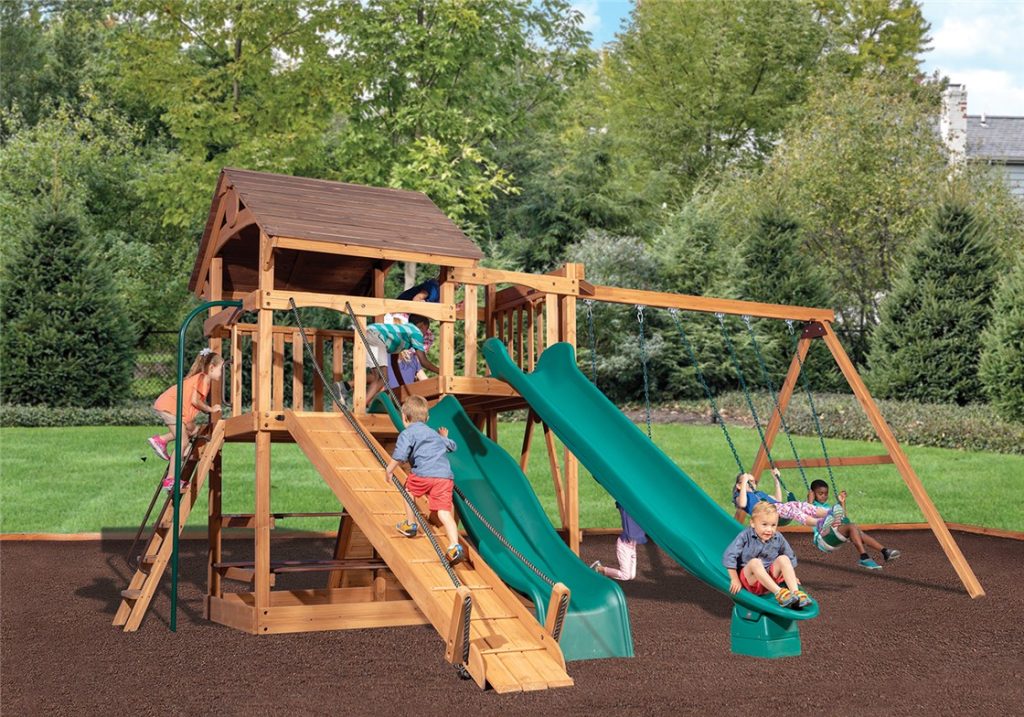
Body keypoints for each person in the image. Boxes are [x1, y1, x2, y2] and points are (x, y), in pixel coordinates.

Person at [385, 395, 464, 566]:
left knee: (408, 491)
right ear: (427, 419)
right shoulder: (434, 434)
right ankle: (454, 545)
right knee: (444, 512)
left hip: (423, 474)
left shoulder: (408, 433)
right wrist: (444, 437)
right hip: (444, 477)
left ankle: (411, 524)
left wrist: (389, 470)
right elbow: (452, 446)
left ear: (404, 418)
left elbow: (400, 455)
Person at [148, 348, 224, 491]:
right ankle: (170, 480)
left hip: (171, 407)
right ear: (211, 368)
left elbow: (189, 404)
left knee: (190, 430)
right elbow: (196, 401)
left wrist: (194, 429)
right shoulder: (203, 378)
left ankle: (162, 440)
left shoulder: (200, 379)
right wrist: (211, 409)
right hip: (169, 407)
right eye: (221, 369)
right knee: (182, 442)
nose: (222, 373)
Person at [723, 501, 811, 609]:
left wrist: (791, 576)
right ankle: (779, 593)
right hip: (751, 580)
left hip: (769, 579)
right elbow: (729, 555)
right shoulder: (745, 536)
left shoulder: (777, 537)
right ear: (753, 523)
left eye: (773, 525)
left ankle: (795, 593)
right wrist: (734, 579)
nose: (769, 529)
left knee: (784, 558)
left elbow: (789, 556)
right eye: (764, 524)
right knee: (755, 562)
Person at [809, 479, 901, 569]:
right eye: (820, 494)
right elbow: (808, 514)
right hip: (822, 540)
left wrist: (842, 502)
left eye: (826, 494)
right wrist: (810, 500)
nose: (824, 496)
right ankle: (864, 557)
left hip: (833, 537)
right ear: (813, 493)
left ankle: (885, 552)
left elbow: (844, 519)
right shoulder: (809, 506)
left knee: (855, 530)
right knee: (852, 526)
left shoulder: (828, 507)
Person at [734, 468, 844, 534]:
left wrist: (776, 480)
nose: (751, 484)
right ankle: (818, 523)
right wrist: (744, 483)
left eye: (753, 481)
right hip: (768, 512)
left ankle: (829, 512)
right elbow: (743, 503)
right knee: (794, 511)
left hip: (779, 507)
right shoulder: (741, 496)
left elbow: (778, 500)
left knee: (801, 505)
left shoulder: (759, 494)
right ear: (739, 485)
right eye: (749, 482)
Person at [363, 314, 437, 405]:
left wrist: (403, 387)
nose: (424, 335)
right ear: (422, 325)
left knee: (380, 378)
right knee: (382, 378)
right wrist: (441, 371)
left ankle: (349, 388)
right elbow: (424, 362)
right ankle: (361, 405)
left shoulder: (397, 344)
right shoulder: (416, 333)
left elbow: (395, 366)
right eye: (426, 330)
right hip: (375, 334)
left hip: (369, 332)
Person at [590, 503, 647, 581]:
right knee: (625, 576)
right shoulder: (629, 519)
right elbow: (622, 506)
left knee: (632, 576)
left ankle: (601, 570)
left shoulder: (640, 520)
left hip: (632, 549)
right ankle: (598, 568)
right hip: (623, 547)